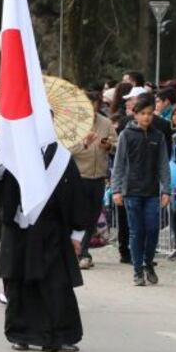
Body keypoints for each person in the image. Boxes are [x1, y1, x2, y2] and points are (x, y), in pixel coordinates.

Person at [0, 143, 88, 352]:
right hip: (20, 227)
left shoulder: (60, 157)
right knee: (19, 283)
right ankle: (21, 334)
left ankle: (59, 336)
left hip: (52, 230)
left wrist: (77, 232)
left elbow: (75, 192)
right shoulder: (13, 150)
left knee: (57, 283)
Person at [111, 97, 171, 286]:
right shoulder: (126, 135)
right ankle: (137, 270)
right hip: (131, 191)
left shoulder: (158, 136)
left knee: (152, 229)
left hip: (152, 191)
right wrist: (116, 189)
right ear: (135, 115)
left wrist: (166, 190)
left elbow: (163, 165)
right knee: (136, 231)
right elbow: (118, 163)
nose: (146, 117)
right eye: (142, 113)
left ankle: (148, 263)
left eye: (149, 113)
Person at [68, 92, 116, 269]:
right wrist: (85, 144)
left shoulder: (106, 122)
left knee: (92, 216)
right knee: (78, 216)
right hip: (79, 176)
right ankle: (78, 251)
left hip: (99, 176)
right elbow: (67, 149)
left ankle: (84, 249)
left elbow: (116, 144)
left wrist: (109, 146)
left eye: (94, 104)